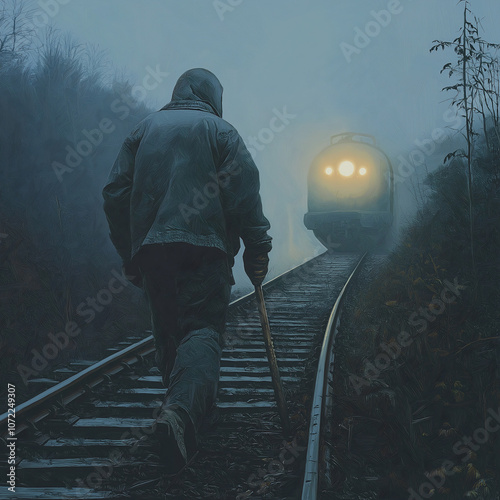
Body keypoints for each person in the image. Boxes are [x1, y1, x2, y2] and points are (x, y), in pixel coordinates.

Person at [102, 68, 272, 471]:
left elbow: (114, 194)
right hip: (204, 249)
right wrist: (257, 247)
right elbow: (243, 192)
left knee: (169, 331)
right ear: (214, 96)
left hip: (153, 252)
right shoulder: (221, 131)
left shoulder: (142, 130)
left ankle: (179, 415)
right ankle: (179, 414)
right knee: (202, 330)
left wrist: (129, 252)